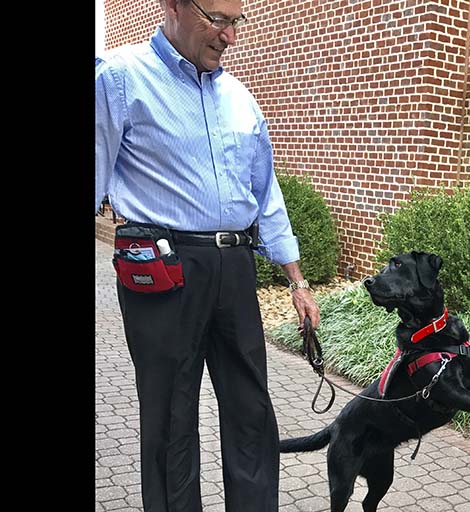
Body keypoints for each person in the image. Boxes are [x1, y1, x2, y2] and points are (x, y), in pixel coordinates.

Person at [95, 1, 320, 510]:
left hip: (235, 267)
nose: (229, 35)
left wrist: (297, 280)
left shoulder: (241, 99)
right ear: (172, 5)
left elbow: (267, 197)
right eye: (217, 19)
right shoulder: (119, 78)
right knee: (170, 418)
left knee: (252, 410)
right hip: (164, 268)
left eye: (236, 21)